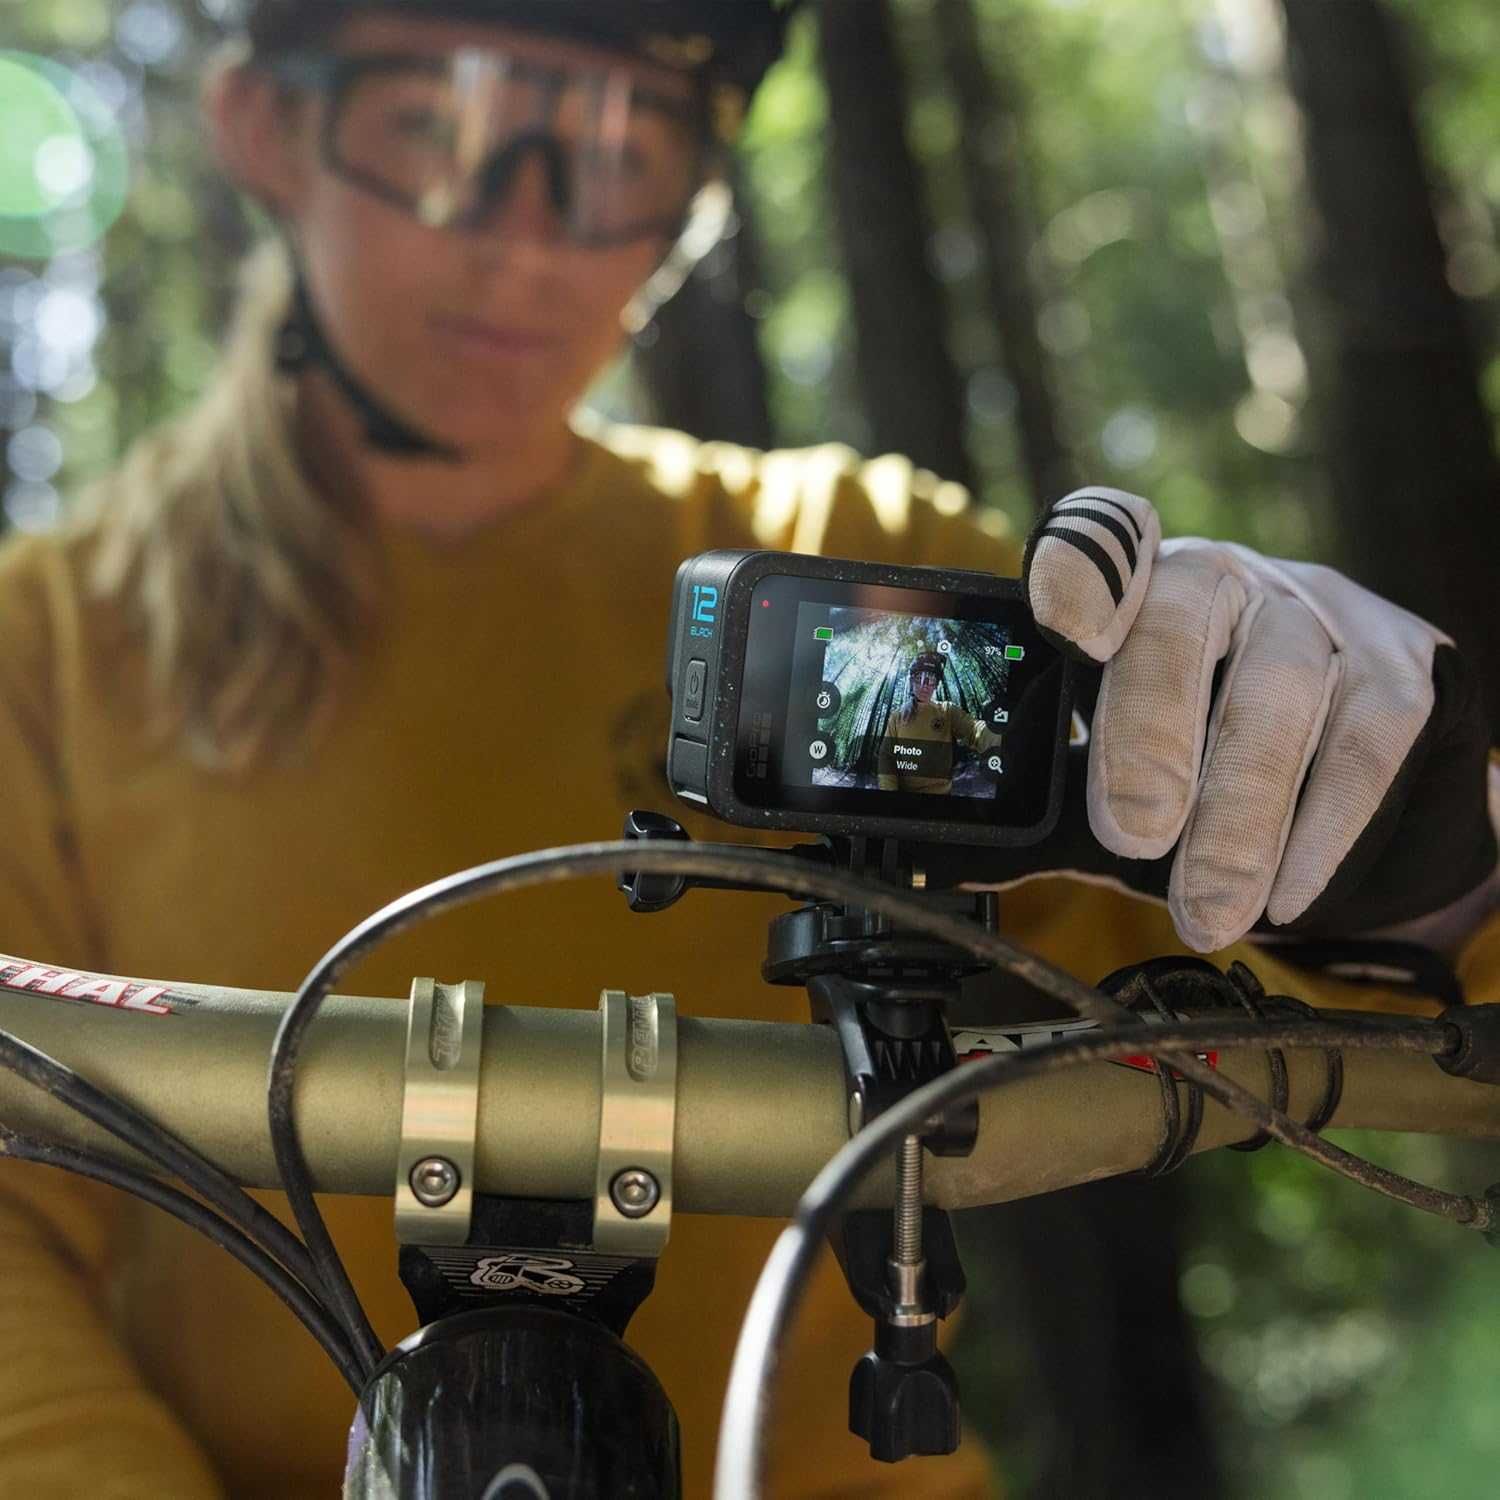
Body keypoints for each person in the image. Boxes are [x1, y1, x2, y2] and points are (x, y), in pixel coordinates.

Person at [0, 3, 1494, 1497]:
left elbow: (1349, 984)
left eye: (624, 149)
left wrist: (1416, 851)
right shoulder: (46, 654)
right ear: (267, 127)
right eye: (434, 129)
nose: (530, 242)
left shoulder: (850, 561)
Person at [876, 647, 1002, 794]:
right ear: (911, 681)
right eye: (919, 678)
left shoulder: (947, 711)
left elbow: (974, 729)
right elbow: (886, 758)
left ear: (936, 684)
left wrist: (1002, 739)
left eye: (930, 679)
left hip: (941, 798)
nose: (924, 685)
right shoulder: (897, 717)